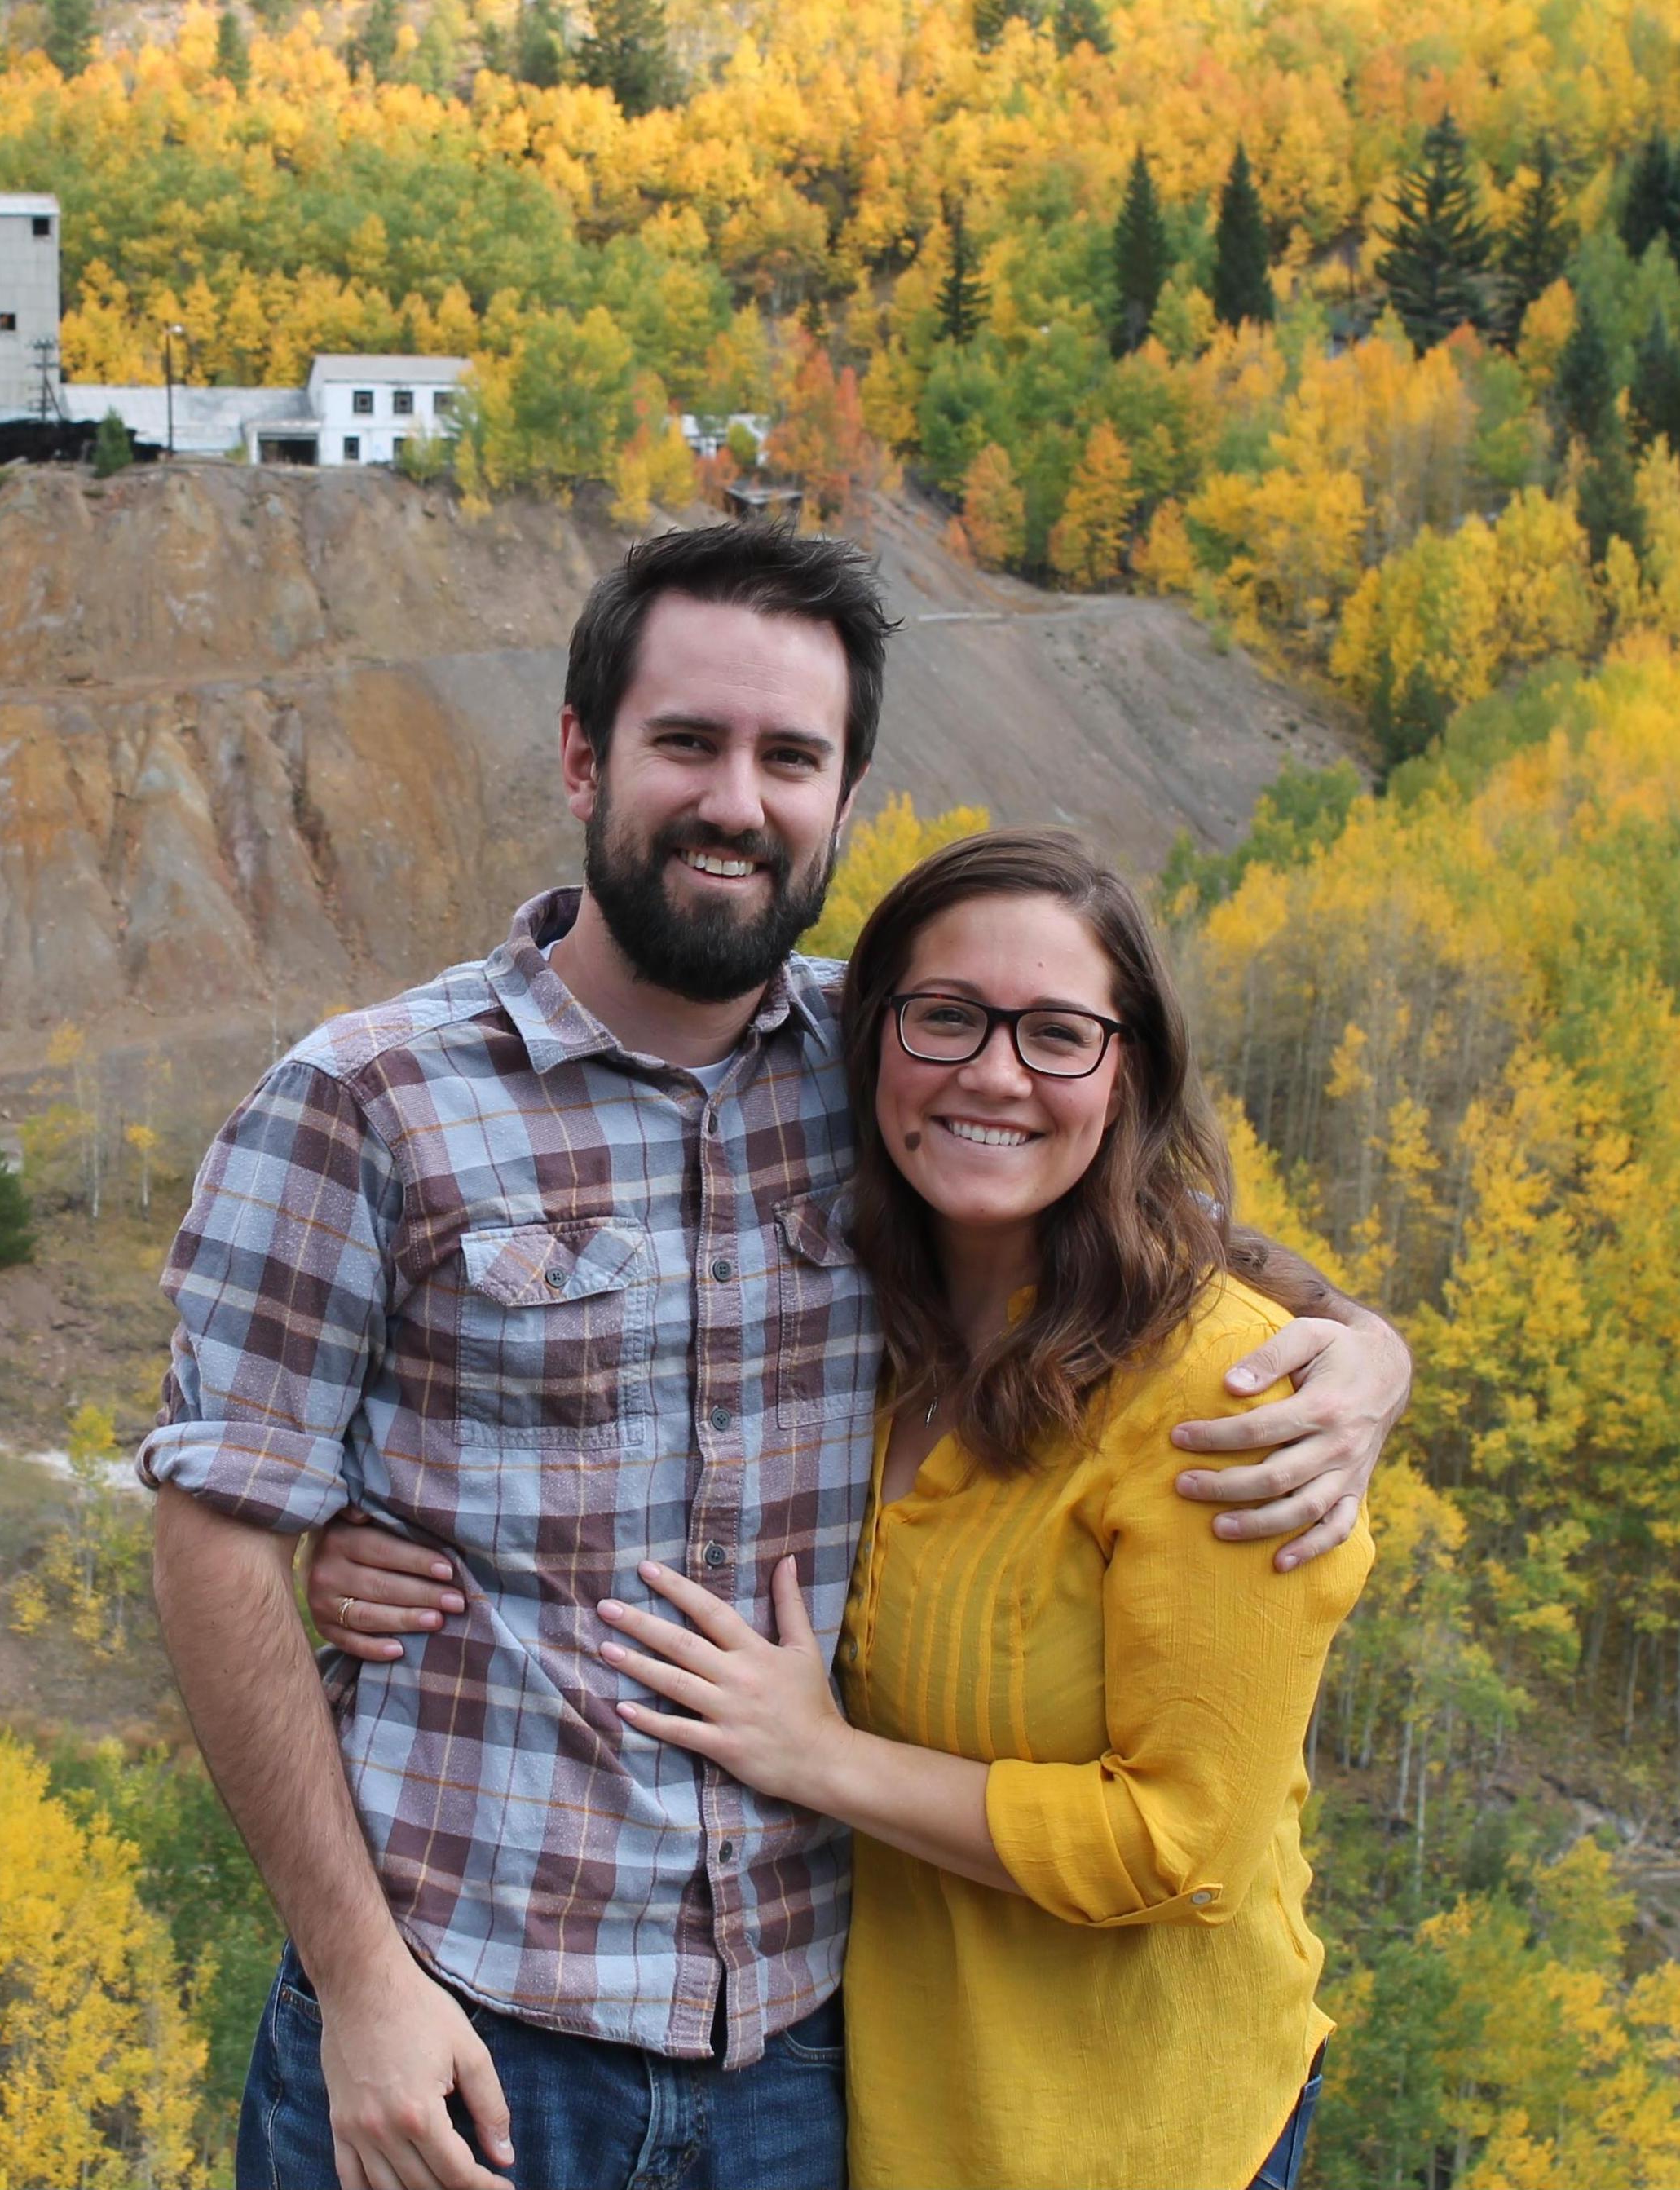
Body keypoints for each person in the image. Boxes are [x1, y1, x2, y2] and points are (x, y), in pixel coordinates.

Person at [147, 519, 1408, 2190]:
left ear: (842, 791)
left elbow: (1164, 1238)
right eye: (687, 741)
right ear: (586, 756)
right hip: (468, 2032)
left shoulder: (893, 1063)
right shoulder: (366, 1100)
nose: (735, 798)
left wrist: (1367, 1357)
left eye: (788, 755)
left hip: (805, 2065)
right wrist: (363, 1981)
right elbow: (213, 1527)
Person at [587, 829, 1366, 2188]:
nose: (994, 1074)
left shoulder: (1227, 1402)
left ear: (1127, 1075)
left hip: (1137, 2136)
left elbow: (1182, 1847)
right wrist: (369, 1543)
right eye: (947, 1018)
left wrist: (816, 1756)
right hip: (899, 2119)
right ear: (871, 1037)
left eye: (1059, 1033)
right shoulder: (846, 1322)